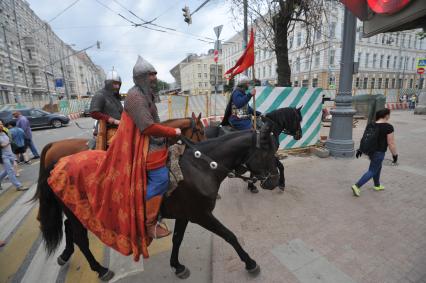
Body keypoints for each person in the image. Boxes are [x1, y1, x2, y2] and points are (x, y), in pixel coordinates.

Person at [124, 56, 181, 238]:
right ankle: (147, 223)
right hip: (141, 143)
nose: (155, 78)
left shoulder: (146, 94)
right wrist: (172, 132)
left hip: (151, 139)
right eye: (151, 75)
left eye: (155, 74)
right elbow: (147, 127)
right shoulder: (134, 97)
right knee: (160, 179)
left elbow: (154, 121)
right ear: (140, 77)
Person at [352, 108, 398, 197]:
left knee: (377, 167)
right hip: (379, 152)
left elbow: (365, 137)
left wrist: (361, 149)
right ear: (386, 115)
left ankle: (377, 185)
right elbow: (391, 143)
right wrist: (395, 155)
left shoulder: (371, 124)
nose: (389, 116)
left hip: (370, 151)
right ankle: (357, 186)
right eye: (389, 114)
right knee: (372, 170)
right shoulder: (388, 127)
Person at [89, 69, 124, 150]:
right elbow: (94, 113)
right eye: (115, 84)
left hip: (119, 128)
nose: (117, 86)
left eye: (119, 84)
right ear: (108, 83)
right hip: (108, 130)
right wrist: (113, 120)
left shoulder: (115, 97)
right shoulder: (100, 95)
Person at [0, 120, 29, 191]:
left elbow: (10, 141)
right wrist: (7, 143)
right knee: (10, 171)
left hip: (10, 154)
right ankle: (18, 186)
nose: (1, 126)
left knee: (7, 170)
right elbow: (3, 145)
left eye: (1, 124)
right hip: (3, 156)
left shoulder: (4, 132)